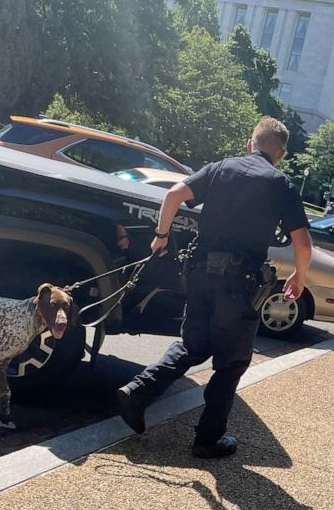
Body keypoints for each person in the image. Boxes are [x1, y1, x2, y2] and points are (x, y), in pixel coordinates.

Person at [116, 117, 313, 458]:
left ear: (250, 143)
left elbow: (174, 194)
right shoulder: (280, 183)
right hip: (239, 284)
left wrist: (161, 237)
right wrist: (299, 276)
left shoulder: (221, 168)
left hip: (199, 275)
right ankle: (208, 439)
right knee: (232, 361)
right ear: (279, 152)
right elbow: (303, 242)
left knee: (194, 343)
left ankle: (138, 391)